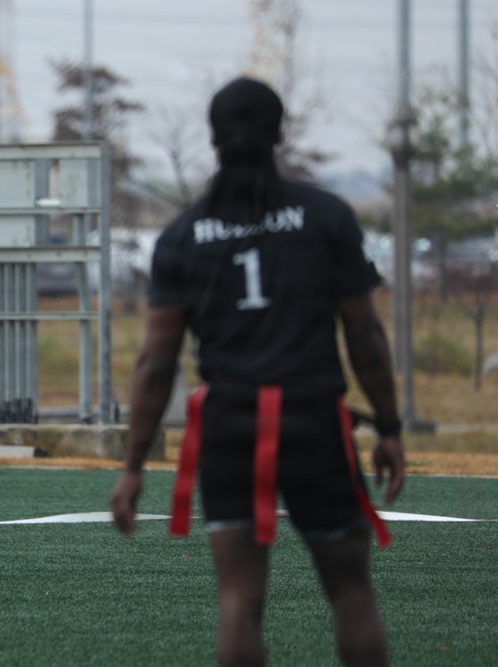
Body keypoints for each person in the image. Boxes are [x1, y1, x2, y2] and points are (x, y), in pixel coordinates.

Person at [109, 77, 406, 667]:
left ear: (212, 138)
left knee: (240, 602)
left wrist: (134, 464)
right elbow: (365, 335)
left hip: (229, 427)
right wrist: (391, 426)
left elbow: (156, 360)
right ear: (280, 132)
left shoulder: (182, 235)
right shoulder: (326, 216)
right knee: (350, 592)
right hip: (313, 421)